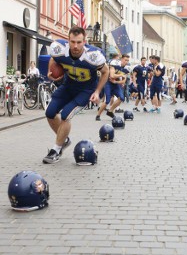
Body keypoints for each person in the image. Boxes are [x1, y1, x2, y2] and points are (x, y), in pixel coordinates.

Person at [43, 26, 109, 164]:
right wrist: (51, 71)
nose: (75, 46)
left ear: (85, 41)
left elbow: (106, 72)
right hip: (68, 86)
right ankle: (64, 140)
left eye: (79, 42)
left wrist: (97, 91)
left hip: (85, 90)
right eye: (72, 42)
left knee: (66, 115)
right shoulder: (59, 48)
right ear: (68, 40)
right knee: (49, 112)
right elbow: (53, 58)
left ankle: (56, 149)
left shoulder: (93, 55)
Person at [96, 54, 130, 121]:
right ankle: (98, 115)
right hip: (108, 83)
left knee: (121, 98)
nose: (126, 62)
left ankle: (110, 111)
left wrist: (116, 82)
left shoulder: (127, 68)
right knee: (107, 100)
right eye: (125, 60)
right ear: (121, 59)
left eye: (128, 60)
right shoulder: (115, 63)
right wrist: (121, 75)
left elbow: (123, 81)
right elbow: (111, 75)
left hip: (115, 84)